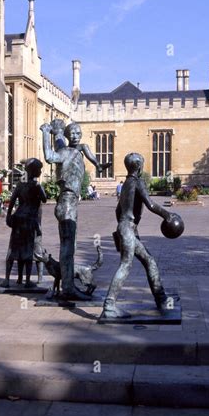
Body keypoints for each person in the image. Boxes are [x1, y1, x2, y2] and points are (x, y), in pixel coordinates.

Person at [101, 152, 176, 320]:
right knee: (125, 265)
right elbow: (150, 204)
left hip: (126, 229)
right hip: (128, 229)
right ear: (139, 167)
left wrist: (125, 228)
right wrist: (167, 215)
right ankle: (109, 305)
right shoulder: (137, 182)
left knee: (149, 261)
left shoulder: (126, 183)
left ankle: (161, 298)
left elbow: (118, 210)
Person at [41, 121, 109, 301]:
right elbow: (49, 156)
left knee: (71, 246)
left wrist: (98, 165)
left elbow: (63, 143)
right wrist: (45, 132)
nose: (76, 136)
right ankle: (68, 288)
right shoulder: (65, 153)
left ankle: (68, 284)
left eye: (79, 132)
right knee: (68, 246)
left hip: (71, 203)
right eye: (72, 133)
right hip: (67, 203)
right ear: (67, 135)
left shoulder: (74, 150)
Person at [0, 158, 47, 288]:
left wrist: (8, 216)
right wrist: (39, 187)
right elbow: (44, 199)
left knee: (13, 248)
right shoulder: (36, 185)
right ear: (33, 171)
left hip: (18, 218)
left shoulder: (20, 184)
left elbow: (12, 199)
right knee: (28, 250)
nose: (40, 171)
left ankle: (8, 280)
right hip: (30, 220)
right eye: (39, 169)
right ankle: (27, 281)